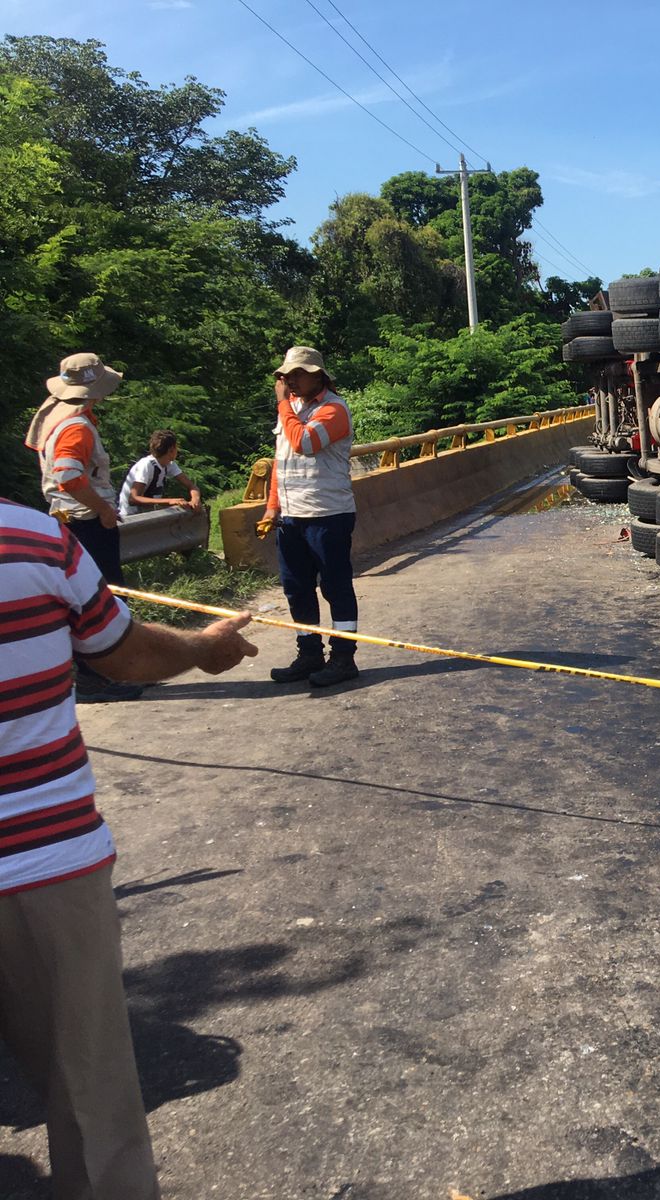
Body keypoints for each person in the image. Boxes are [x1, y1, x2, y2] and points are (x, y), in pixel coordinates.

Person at [0, 497, 258, 1199]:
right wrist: (205, 648)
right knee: (89, 1098)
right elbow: (126, 655)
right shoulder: (32, 541)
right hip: (38, 858)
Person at [24, 352, 142, 702]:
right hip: (87, 521)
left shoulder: (56, 416)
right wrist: (104, 509)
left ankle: (100, 674)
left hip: (68, 520)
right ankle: (99, 677)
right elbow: (68, 476)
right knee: (105, 600)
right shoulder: (76, 425)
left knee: (87, 599)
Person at [261, 346, 360, 687]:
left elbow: (304, 442)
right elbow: (282, 460)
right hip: (291, 515)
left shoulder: (334, 409)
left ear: (318, 374)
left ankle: (344, 658)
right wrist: (273, 505)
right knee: (297, 589)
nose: (290, 380)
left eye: (298, 374)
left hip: (327, 514)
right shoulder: (291, 410)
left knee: (335, 586)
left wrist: (282, 404)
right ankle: (309, 653)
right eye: (286, 376)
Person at [118, 430, 202, 519]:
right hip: (130, 517)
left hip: (147, 515)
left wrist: (195, 500)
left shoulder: (169, 464)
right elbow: (133, 499)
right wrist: (170, 501)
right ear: (171, 450)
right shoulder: (146, 465)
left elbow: (191, 486)